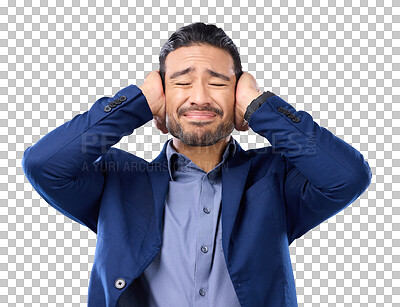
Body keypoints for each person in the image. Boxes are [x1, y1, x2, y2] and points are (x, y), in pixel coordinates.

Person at [21, 22, 372, 307]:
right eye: (182, 82)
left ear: (238, 106)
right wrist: (136, 103)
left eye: (219, 83)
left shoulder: (275, 179)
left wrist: (261, 107)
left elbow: (348, 176)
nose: (200, 97)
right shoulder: (116, 181)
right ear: (159, 111)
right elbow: (44, 164)